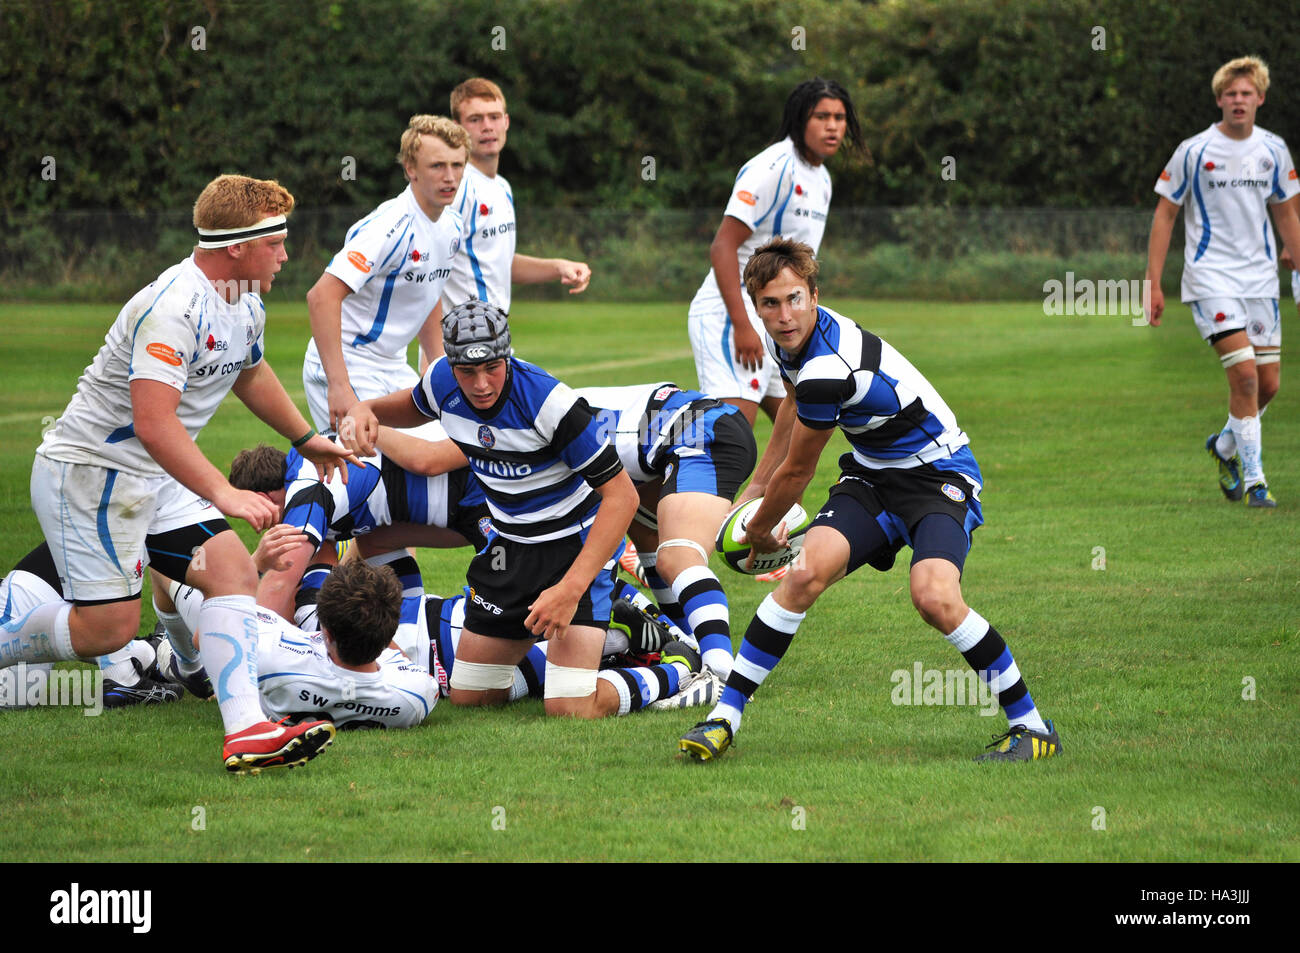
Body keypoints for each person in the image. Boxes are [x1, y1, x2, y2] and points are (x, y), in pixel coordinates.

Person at [5, 174, 356, 772]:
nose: (286, 254)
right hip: (94, 476)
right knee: (107, 630)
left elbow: (248, 371)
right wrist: (225, 492)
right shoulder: (172, 306)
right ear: (237, 246)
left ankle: (247, 731)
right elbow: (154, 423)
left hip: (153, 477)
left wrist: (304, 437)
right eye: (276, 241)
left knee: (231, 572)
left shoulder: (244, 299)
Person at [677, 238, 1061, 762]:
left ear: (814, 294)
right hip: (873, 477)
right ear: (756, 306)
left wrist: (761, 527)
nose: (784, 315)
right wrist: (757, 487)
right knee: (805, 576)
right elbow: (789, 403)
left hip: (938, 476)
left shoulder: (829, 367)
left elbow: (801, 471)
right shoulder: (788, 342)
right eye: (770, 303)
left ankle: (1033, 728)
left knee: (935, 597)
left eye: (794, 299)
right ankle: (723, 719)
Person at [342, 301, 715, 719]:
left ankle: (681, 668)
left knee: (570, 707)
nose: (481, 383)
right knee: (472, 696)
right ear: (450, 363)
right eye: (467, 372)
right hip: (510, 549)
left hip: (573, 548)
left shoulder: (548, 403)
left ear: (508, 355)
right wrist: (363, 409)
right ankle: (607, 642)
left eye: (493, 368)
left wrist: (569, 590)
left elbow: (622, 497)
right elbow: (405, 408)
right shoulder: (441, 381)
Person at [1146, 56, 1300, 507]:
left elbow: (1287, 211)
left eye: (1246, 93)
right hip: (1210, 278)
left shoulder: (1274, 150)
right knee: (1246, 378)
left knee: (1268, 384)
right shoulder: (1193, 151)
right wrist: (1153, 282)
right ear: (1219, 100)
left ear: (1260, 99)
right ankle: (1256, 483)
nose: (1238, 100)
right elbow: (1165, 213)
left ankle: (1225, 447)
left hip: (1261, 283)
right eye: (1230, 94)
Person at [686, 77, 862, 428]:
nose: (832, 126)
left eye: (839, 118)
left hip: (776, 319)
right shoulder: (774, 167)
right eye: (821, 116)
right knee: (729, 442)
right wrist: (741, 325)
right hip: (732, 313)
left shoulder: (822, 179)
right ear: (800, 120)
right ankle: (646, 479)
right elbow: (722, 245)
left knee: (794, 437)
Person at [577, 382, 756, 680]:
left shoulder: (532, 428)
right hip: (682, 432)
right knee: (646, 532)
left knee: (678, 557)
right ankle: (691, 644)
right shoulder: (541, 406)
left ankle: (722, 674)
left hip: (698, 432)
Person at [304, 114, 471, 434]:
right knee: (377, 469)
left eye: (457, 165)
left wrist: (438, 370)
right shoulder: (388, 226)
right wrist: (339, 385)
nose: (450, 176)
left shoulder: (452, 225)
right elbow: (321, 296)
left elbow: (428, 292)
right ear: (411, 169)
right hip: (349, 365)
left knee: (442, 444)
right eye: (437, 166)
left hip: (392, 365)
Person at [223, 434, 490, 621]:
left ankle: (418, 627)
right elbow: (315, 573)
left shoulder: (307, 493)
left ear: (265, 498)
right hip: (457, 510)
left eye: (250, 512)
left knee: (505, 613)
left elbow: (278, 588)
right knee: (373, 539)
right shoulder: (306, 472)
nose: (256, 526)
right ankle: (408, 617)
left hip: (479, 495)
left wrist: (246, 666)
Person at [442, 78, 591, 316]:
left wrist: (558, 267)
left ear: (506, 122)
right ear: (456, 128)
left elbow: (499, 264)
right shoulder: (455, 188)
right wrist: (434, 352)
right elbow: (426, 274)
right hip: (462, 345)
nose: (487, 126)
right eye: (475, 119)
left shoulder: (502, 187)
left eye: (494, 117)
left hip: (496, 340)